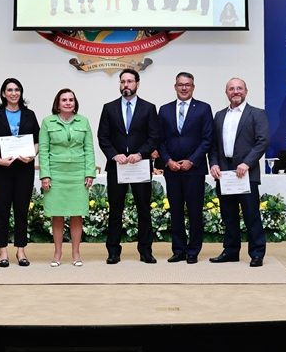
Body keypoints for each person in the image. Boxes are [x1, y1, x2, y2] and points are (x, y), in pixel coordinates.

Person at [97, 69, 160, 264]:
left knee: (143, 209)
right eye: (123, 81)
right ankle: (113, 251)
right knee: (116, 210)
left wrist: (140, 154)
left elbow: (154, 137)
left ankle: (145, 251)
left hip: (140, 165)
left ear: (137, 84)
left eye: (130, 81)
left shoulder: (149, 108)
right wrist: (114, 155)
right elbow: (103, 137)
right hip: (117, 166)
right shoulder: (109, 108)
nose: (126, 85)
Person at [208, 78, 269, 267]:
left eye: (239, 88)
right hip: (224, 174)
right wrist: (214, 164)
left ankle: (257, 253)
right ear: (226, 92)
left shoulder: (257, 114)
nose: (236, 92)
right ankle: (231, 251)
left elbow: (263, 141)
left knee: (251, 215)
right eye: (232, 89)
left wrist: (247, 163)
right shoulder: (218, 115)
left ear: (246, 91)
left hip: (246, 174)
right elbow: (213, 145)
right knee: (229, 215)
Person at [0, 78, 39, 268]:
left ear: (21, 93)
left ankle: (21, 249)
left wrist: (32, 156)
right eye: (10, 90)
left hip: (24, 168)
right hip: (1, 169)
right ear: (3, 93)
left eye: (17, 90)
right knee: (2, 209)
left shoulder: (29, 115)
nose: (13, 93)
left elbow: (38, 140)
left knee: (22, 210)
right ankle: (3, 250)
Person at [157, 72, 213, 264]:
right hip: (172, 170)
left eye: (187, 85)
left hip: (194, 170)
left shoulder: (204, 109)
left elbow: (207, 139)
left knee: (195, 211)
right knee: (176, 211)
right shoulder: (164, 110)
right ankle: (179, 250)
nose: (183, 88)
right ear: (175, 87)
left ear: (193, 87)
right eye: (180, 85)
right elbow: (160, 140)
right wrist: (168, 160)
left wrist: (192, 160)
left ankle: (193, 251)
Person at [39, 89, 96, 267]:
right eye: (64, 100)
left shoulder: (83, 121)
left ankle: (76, 253)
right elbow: (43, 150)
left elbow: (89, 149)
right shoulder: (47, 122)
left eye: (71, 99)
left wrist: (89, 173)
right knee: (57, 214)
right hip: (56, 174)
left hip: (78, 174)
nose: (68, 102)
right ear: (58, 103)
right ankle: (57, 253)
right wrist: (45, 175)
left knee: (77, 214)